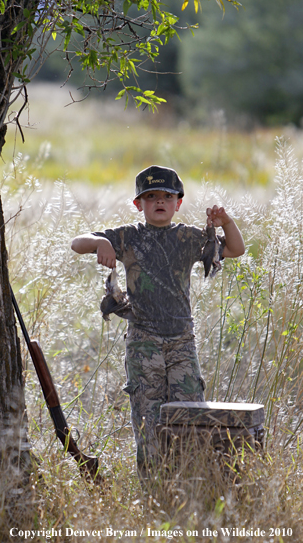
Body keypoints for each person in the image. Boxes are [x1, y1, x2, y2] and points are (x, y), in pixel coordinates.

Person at [71, 165, 245, 478]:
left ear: (178, 202)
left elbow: (235, 249)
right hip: (143, 345)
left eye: (167, 196)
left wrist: (227, 222)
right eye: (150, 197)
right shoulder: (128, 237)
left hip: (181, 343)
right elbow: (77, 242)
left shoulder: (190, 238)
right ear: (139, 204)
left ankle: (189, 488)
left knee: (190, 419)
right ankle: (154, 494)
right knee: (149, 424)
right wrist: (101, 242)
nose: (159, 202)